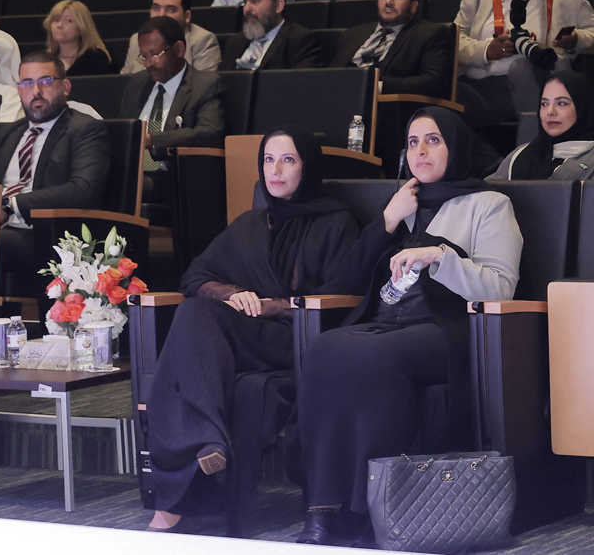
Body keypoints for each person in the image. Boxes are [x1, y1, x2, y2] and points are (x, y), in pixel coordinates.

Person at [294, 107, 522, 546]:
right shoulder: (404, 202)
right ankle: (322, 509)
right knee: (325, 348)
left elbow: (502, 288)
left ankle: (373, 511)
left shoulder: (490, 205)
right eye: (413, 141)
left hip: (449, 329)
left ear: (454, 147)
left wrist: (439, 255)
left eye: (433, 140)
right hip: (389, 323)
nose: (420, 150)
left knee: (373, 356)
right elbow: (345, 280)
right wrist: (387, 221)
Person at [145, 127, 361, 534]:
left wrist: (268, 306)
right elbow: (195, 275)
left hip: (298, 339)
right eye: (268, 159)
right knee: (194, 312)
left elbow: (341, 296)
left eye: (288, 159)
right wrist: (231, 293)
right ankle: (206, 444)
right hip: (249, 338)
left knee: (191, 335)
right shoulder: (250, 224)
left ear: (307, 165)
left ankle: (176, 491)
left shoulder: (337, 223)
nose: (275, 170)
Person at [0, 51, 110, 294]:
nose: (36, 91)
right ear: (19, 90)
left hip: (49, 234)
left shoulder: (85, 129)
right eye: (27, 83)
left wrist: (10, 204)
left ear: (66, 86)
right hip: (2, 228)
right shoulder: (7, 135)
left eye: (46, 81)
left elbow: (83, 189)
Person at [456, 0, 594, 127]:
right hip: (484, 87)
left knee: (521, 67)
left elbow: (592, 30)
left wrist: (575, 39)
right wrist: (486, 51)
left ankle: (530, 151)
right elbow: (454, 40)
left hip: (543, 80)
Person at [120, 16, 225, 202]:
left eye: (155, 54)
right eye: (143, 56)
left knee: (125, 186)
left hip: (176, 177)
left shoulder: (205, 84)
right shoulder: (137, 84)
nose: (148, 64)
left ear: (178, 49)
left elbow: (210, 133)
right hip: (132, 173)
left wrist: (152, 140)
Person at [331, 0, 451, 97]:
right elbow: (332, 73)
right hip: (338, 96)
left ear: (413, 6)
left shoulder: (428, 33)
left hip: (386, 105)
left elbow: (434, 81)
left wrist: (377, 86)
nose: (388, 2)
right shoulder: (353, 33)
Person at [488, 71, 594, 180]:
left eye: (562, 103)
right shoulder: (519, 155)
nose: (550, 111)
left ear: (582, 107)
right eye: (544, 104)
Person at [220, 0, 321, 71]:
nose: (246, 9)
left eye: (255, 1)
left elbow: (301, 84)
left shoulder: (299, 40)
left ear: (278, 6)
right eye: (245, 2)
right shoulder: (236, 41)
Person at [121, 0, 221, 75]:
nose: (161, 15)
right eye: (156, 8)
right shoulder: (136, 40)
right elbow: (123, 84)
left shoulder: (202, 40)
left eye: (171, 9)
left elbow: (203, 87)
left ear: (187, 16)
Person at [44, 0, 113, 76]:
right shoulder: (44, 62)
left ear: (82, 28)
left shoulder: (95, 59)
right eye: (56, 20)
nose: (59, 25)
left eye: (68, 21)